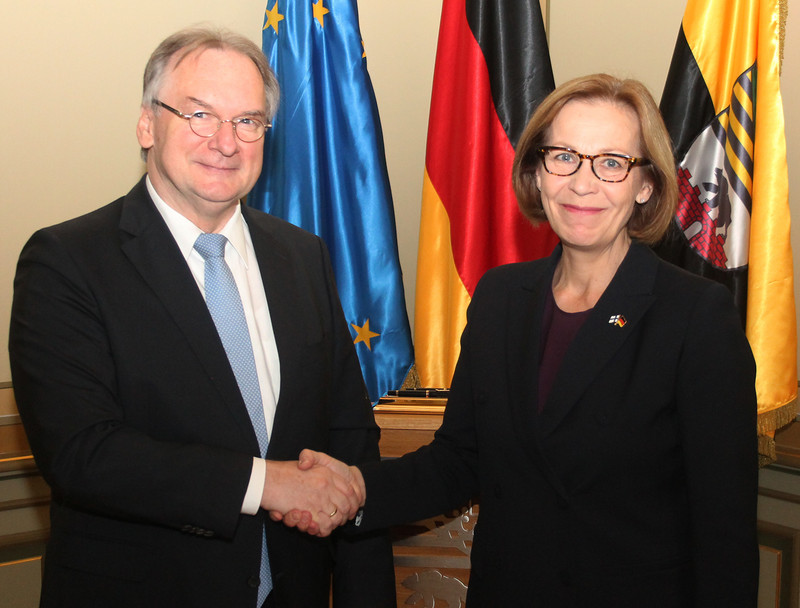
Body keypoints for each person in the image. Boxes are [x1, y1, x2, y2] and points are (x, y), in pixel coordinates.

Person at [289, 74, 759, 606]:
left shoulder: (695, 316)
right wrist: (355, 488)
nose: (583, 183)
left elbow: (726, 530)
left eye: (611, 162)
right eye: (564, 157)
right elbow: (460, 460)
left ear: (645, 184)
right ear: (538, 171)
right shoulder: (500, 297)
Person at [9, 27, 395, 608]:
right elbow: (83, 454)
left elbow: (349, 438)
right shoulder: (67, 261)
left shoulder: (301, 255)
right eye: (198, 114)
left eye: (248, 121)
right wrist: (268, 483)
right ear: (147, 125)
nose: (225, 141)